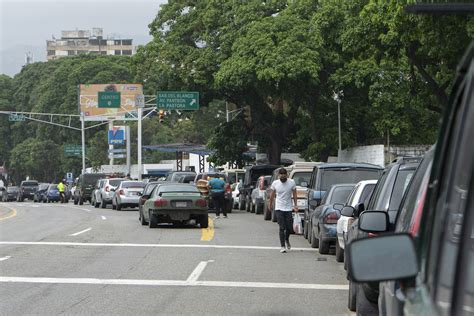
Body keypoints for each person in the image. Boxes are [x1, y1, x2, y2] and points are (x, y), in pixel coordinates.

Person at [269, 168, 298, 253]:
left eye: (284, 175)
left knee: (289, 227)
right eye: (281, 175)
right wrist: (270, 204)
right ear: (278, 176)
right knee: (282, 227)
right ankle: (282, 246)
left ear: (287, 175)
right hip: (279, 208)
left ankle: (286, 239)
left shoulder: (291, 182)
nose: (282, 177)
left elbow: (294, 193)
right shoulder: (275, 183)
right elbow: (272, 194)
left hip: (288, 207)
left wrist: (295, 205)